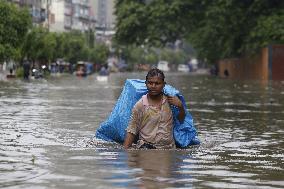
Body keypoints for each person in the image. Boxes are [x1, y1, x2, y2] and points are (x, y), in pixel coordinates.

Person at [123, 68, 185, 149]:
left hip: (169, 149)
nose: (153, 86)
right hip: (146, 149)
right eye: (150, 83)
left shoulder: (171, 102)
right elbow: (132, 130)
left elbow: (181, 121)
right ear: (146, 84)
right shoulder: (140, 105)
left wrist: (181, 106)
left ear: (163, 84)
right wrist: (126, 152)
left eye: (157, 83)